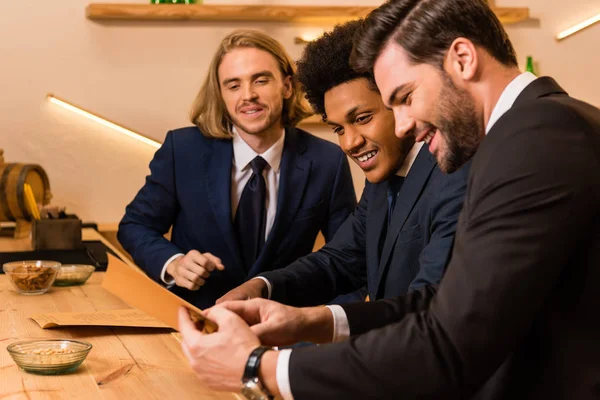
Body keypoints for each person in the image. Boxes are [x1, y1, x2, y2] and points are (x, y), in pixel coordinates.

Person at [176, 0, 600, 398]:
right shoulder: (535, 129)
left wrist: (260, 369)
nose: (401, 126)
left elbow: (448, 342)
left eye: (405, 97)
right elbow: (436, 306)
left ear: (462, 59)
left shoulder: (536, 133)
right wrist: (308, 319)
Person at [217, 20, 468, 307]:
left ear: (399, 101)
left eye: (361, 119)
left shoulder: (453, 173)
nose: (349, 143)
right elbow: (338, 261)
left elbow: (427, 308)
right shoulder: (381, 183)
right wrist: (263, 287)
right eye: (338, 129)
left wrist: (310, 327)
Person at [118, 29, 356, 310]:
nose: (248, 96)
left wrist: (326, 331)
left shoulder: (327, 160)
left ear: (288, 86)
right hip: (193, 327)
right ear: (221, 95)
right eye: (233, 85)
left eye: (261, 80)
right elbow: (135, 226)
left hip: (285, 334)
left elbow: (349, 258)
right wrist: (174, 263)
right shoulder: (182, 150)